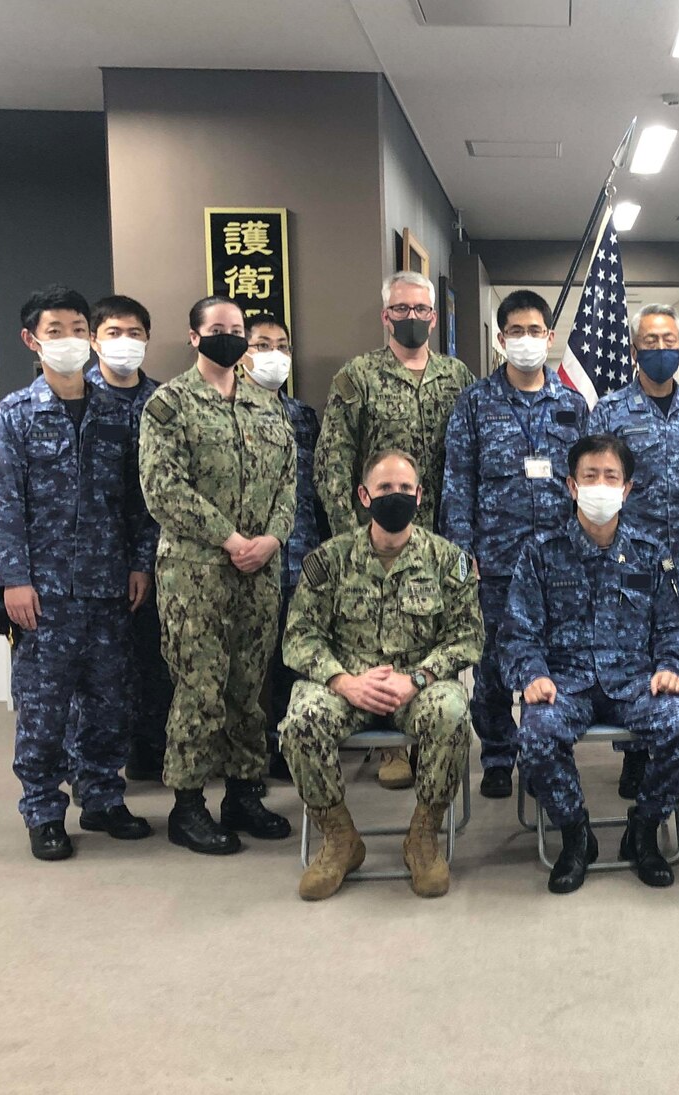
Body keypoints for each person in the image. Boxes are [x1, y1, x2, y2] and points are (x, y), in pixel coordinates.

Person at [0, 285, 157, 860]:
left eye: (78, 328)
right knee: (44, 706)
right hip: (43, 591)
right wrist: (14, 578)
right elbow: (0, 503)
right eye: (56, 331)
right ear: (32, 340)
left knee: (110, 699)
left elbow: (136, 501)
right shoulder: (15, 414)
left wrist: (138, 564)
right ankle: (43, 810)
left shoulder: (115, 414)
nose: (70, 340)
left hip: (109, 585)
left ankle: (103, 797)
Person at [500, 434, 679, 893]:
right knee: (535, 734)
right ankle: (577, 835)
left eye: (610, 477)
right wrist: (532, 675)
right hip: (564, 685)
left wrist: (672, 664)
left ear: (627, 489)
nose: (600, 485)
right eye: (589, 476)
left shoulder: (652, 553)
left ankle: (644, 829)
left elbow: (677, 625)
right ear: (571, 486)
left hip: (636, 684)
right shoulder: (541, 552)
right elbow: (517, 632)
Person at [280, 450, 482, 900]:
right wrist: (343, 681)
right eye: (385, 489)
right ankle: (339, 839)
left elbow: (468, 638)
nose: (396, 496)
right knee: (300, 719)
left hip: (417, 688)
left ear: (420, 495)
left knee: (452, 710)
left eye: (405, 489)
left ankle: (423, 837)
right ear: (364, 495)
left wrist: (419, 679)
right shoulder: (329, 561)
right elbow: (299, 637)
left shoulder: (448, 561)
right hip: (348, 687)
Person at [139, 296, 296, 855]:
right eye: (219, 329)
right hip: (196, 572)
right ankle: (187, 805)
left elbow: (287, 484)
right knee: (200, 687)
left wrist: (273, 538)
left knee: (250, 686)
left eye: (238, 330)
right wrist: (232, 540)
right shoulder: (170, 404)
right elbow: (164, 490)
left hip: (260, 571)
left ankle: (244, 793)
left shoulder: (266, 405)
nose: (229, 338)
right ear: (194, 336)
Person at [315, 272, 472, 790]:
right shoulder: (357, 377)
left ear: (434, 316)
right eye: (401, 310)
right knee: (381, 628)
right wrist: (349, 541)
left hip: (439, 538)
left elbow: (469, 461)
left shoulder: (458, 378)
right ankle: (390, 745)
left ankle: (431, 730)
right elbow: (333, 462)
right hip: (375, 532)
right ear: (385, 316)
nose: (412, 318)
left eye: (421, 310)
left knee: (435, 634)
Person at [443, 289, 587, 800]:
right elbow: (458, 480)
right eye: (516, 332)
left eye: (536, 332)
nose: (526, 341)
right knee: (491, 666)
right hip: (496, 559)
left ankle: (544, 745)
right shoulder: (475, 402)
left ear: (550, 338)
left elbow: (584, 480)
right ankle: (500, 754)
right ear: (501, 340)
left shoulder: (572, 405)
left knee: (554, 656)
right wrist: (463, 551)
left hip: (557, 559)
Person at [588, 303, 679, 798]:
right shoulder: (610, 412)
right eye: (650, 342)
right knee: (633, 656)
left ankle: (677, 751)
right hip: (629, 561)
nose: (661, 350)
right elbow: (595, 484)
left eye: (669, 341)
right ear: (634, 349)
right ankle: (636, 757)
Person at [85, 294, 170, 782]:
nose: (124, 343)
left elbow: (154, 495)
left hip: (153, 557)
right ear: (94, 338)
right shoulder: (74, 399)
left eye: (134, 334)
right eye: (113, 333)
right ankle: (93, 776)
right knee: (94, 675)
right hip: (86, 562)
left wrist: (142, 560)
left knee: (153, 664)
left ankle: (147, 754)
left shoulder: (162, 401)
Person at [242, 313, 329, 783]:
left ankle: (285, 747)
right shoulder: (228, 410)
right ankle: (246, 761)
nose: (273, 354)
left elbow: (315, 489)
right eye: (262, 344)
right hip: (248, 560)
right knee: (248, 665)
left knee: (293, 659)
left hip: (301, 557)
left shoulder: (302, 417)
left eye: (281, 345)